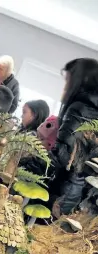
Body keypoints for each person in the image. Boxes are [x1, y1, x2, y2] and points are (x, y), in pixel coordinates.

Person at [48, 58, 98, 214]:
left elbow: (61, 155)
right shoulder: (93, 110)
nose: (65, 87)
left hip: (64, 192)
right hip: (81, 194)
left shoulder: (81, 109)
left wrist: (27, 161)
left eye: (68, 80)